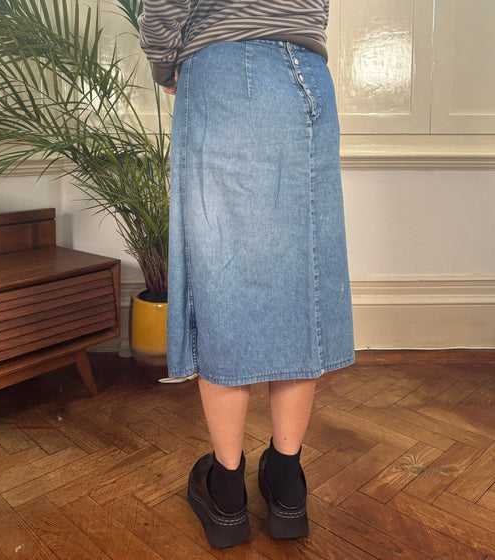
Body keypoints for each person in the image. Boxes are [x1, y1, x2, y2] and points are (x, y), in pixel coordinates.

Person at [139, 0, 354, 549]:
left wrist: (164, 65)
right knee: (300, 285)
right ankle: (286, 483)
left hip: (226, 75)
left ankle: (227, 492)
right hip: (309, 77)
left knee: (222, 281)